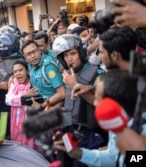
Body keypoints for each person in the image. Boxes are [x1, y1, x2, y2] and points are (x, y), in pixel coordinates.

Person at [54, 70, 144, 167]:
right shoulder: (117, 125)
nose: (95, 103)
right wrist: (79, 153)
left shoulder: (142, 127)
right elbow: (112, 158)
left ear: (114, 102)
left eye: (99, 99)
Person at [53, 34, 107, 167]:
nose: (69, 58)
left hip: (89, 133)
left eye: (72, 53)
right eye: (65, 56)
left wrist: (74, 84)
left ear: (81, 53)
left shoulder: (97, 73)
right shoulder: (67, 74)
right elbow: (68, 102)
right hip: (70, 130)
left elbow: (99, 102)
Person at [71, 26, 137, 99]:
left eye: (101, 52)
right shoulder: (137, 74)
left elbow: (101, 103)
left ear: (114, 55)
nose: (99, 56)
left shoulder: (123, 83)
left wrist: (74, 85)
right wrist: (92, 88)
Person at [22, 40, 64, 109]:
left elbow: (62, 93)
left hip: (52, 109)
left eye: (34, 51)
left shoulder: (49, 67)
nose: (33, 56)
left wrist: (42, 106)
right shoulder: (30, 66)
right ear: (25, 57)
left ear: (39, 50)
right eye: (29, 54)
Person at [5, 59, 37, 150]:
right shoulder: (14, 83)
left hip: (29, 124)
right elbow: (8, 100)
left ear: (27, 71)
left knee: (30, 150)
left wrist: (19, 98)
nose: (18, 73)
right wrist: (24, 96)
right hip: (15, 124)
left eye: (20, 70)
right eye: (15, 71)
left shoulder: (33, 83)